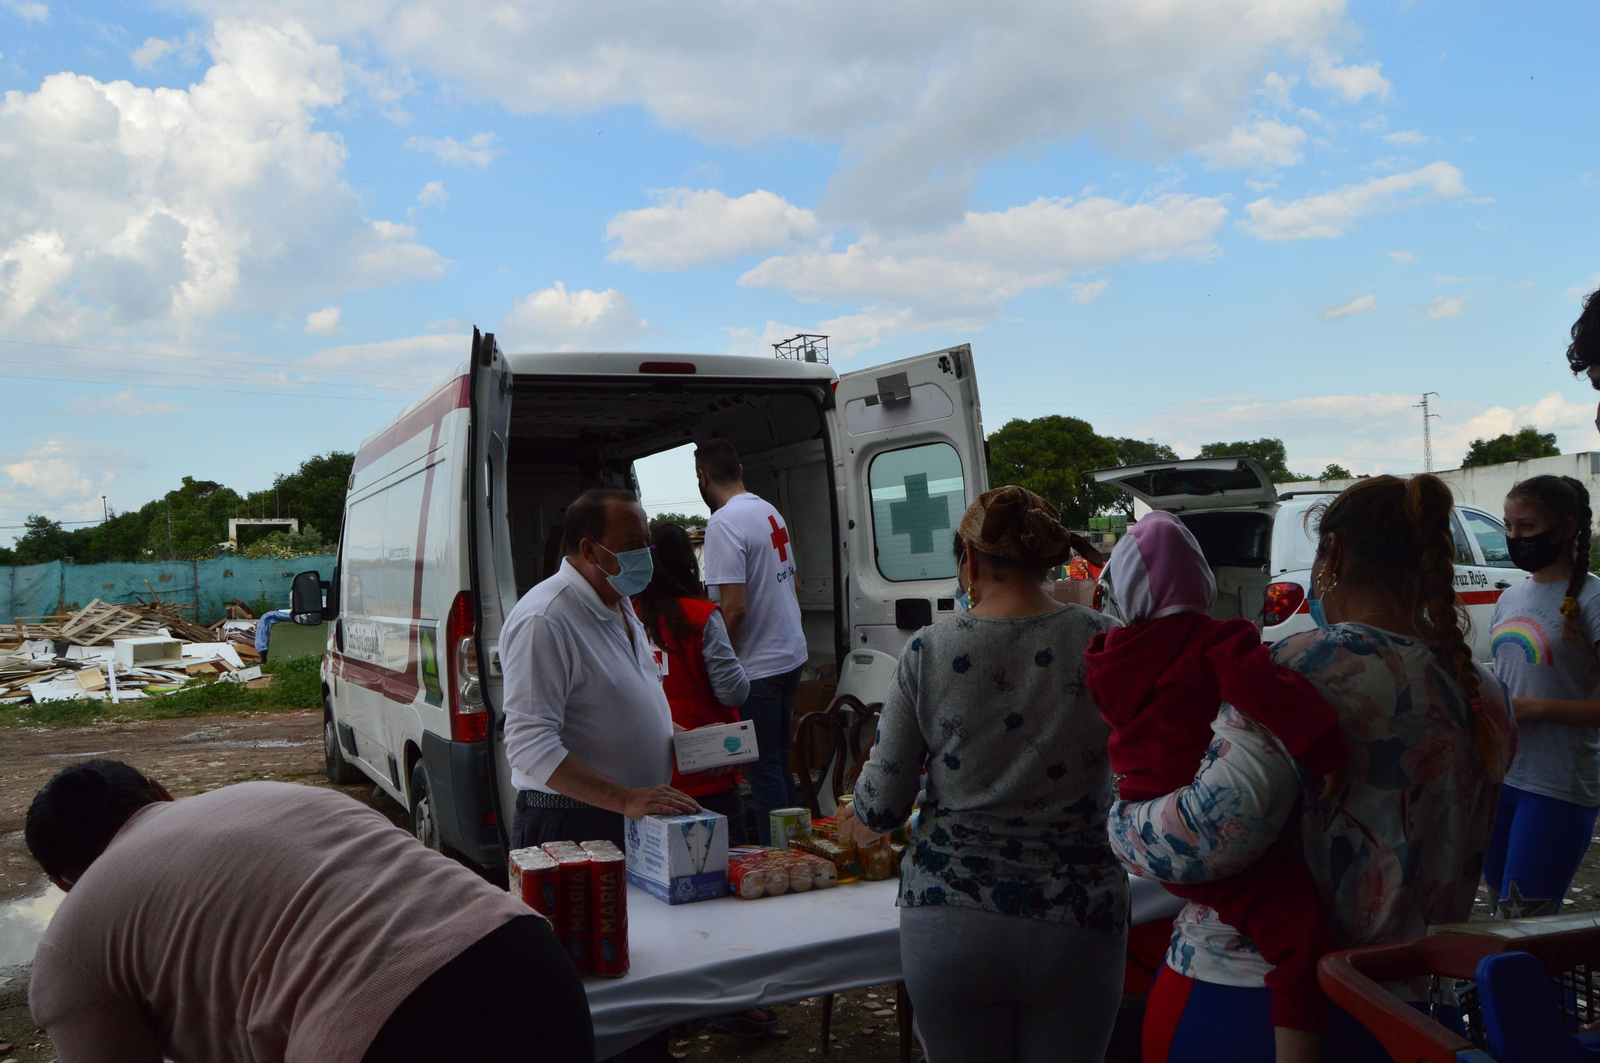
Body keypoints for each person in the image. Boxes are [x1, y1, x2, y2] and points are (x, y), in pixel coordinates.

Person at [1109, 475, 1513, 1063]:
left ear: (1335, 554)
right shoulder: (1486, 693)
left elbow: (1205, 840)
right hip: (1415, 1013)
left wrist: (1121, 822)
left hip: (1247, 1004)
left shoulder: (1297, 669)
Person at [26, 761, 593, 1063]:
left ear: (61, 882)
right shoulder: (269, 793)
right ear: (160, 791)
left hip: (393, 1028)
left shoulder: (70, 945)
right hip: (532, 961)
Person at [843, 486, 1130, 1063]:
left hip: (952, 915)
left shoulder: (928, 649)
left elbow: (883, 803)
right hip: (1078, 914)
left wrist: (858, 809)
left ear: (971, 558)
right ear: (1047, 558)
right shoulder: (1106, 641)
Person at [1084, 510, 1347, 1063]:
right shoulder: (1214, 642)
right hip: (1200, 817)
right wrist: (1325, 751)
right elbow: (1273, 694)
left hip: (1142, 811)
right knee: (1302, 942)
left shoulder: (1110, 659)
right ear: (1203, 580)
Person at [502, 487, 700, 851]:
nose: (645, 552)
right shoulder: (545, 618)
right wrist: (625, 798)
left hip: (624, 815)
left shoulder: (619, 602)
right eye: (631, 543)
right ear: (590, 550)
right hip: (571, 823)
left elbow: (612, 703)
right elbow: (528, 744)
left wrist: (684, 740)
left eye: (646, 541)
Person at [1485, 474, 1600, 917]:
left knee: (1522, 924)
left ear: (1566, 529)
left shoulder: (1592, 599)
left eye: (1527, 527)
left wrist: (1534, 708)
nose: (1515, 538)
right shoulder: (1510, 597)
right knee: (1498, 919)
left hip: (1557, 788)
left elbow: (1528, 699)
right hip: (1504, 779)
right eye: (1509, 527)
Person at [695, 439, 809, 844]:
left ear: (702, 478)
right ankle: (797, 844)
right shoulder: (769, 511)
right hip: (791, 655)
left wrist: (716, 667)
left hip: (758, 667)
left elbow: (734, 608)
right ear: (740, 469)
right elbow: (794, 583)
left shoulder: (723, 523)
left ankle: (780, 855)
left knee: (763, 768)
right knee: (777, 760)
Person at [633, 520, 752, 843]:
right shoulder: (701, 616)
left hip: (647, 780)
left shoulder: (623, 616)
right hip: (708, 773)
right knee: (724, 864)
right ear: (688, 562)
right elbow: (733, 693)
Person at [543, 433, 624, 580]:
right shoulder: (564, 498)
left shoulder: (619, 496)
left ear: (604, 458)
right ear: (576, 459)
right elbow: (553, 546)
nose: (589, 456)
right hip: (576, 574)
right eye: (584, 452)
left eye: (595, 452)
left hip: (613, 572)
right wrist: (548, 582)